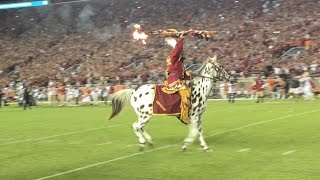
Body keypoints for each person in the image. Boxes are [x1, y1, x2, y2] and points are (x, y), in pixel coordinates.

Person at [163, 30, 193, 124]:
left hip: (177, 78)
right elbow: (177, 49)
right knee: (186, 92)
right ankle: (183, 116)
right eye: (182, 52)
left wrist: (188, 76)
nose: (183, 53)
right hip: (174, 79)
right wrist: (181, 38)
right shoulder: (174, 56)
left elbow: (182, 75)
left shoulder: (179, 63)